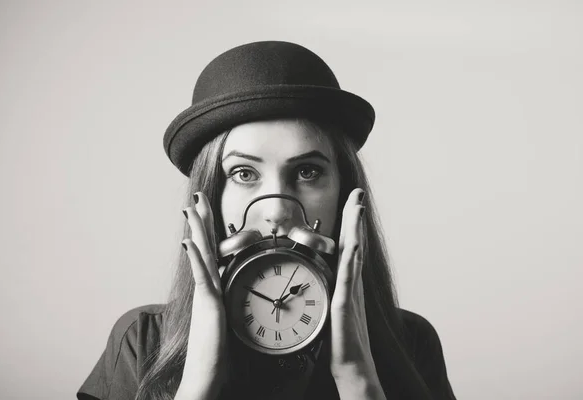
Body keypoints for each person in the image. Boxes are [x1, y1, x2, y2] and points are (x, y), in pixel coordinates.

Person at [77, 41, 456, 400]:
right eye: (244, 174)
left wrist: (357, 375)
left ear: (344, 190)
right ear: (208, 195)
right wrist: (197, 380)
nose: (276, 211)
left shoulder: (412, 342)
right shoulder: (141, 340)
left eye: (308, 172)